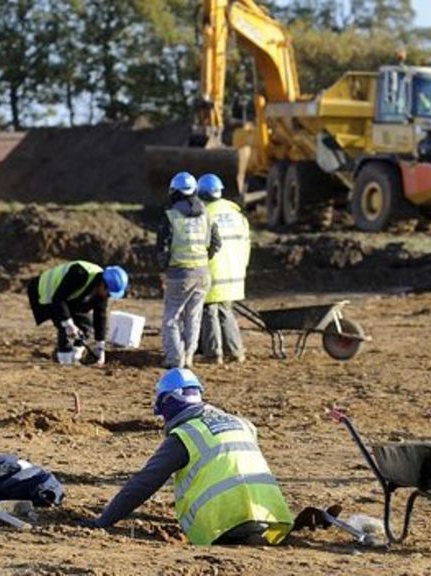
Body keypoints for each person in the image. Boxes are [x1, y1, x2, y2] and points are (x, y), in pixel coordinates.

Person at [85, 368, 294, 545]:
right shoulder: (243, 423)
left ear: (167, 404)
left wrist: (102, 522)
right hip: (270, 519)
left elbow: (143, 483)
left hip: (222, 523)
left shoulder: (186, 435)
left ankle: (239, 532)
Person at [157, 172, 221, 369]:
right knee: (193, 317)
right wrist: (202, 260)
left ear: (174, 192)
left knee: (172, 319)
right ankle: (189, 357)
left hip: (179, 274)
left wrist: (164, 267)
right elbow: (216, 243)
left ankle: (175, 360)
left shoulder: (171, 216)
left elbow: (162, 248)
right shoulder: (206, 215)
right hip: (202, 273)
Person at [26, 261, 128, 366]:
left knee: (85, 325)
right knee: (64, 326)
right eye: (109, 293)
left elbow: (100, 315)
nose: (108, 296)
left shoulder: (101, 289)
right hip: (43, 292)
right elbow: (58, 298)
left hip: (66, 298)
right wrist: (68, 323)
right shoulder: (80, 274)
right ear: (103, 284)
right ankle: (64, 359)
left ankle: (75, 356)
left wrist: (100, 346)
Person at [196, 174, 250, 364]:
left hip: (214, 272)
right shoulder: (236, 214)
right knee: (226, 310)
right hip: (235, 273)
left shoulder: (203, 215)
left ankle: (213, 354)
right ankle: (235, 351)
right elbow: (246, 244)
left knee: (209, 310)